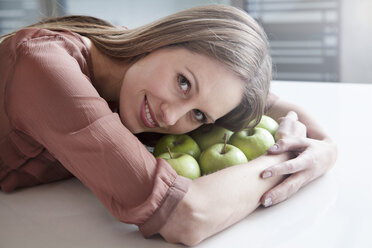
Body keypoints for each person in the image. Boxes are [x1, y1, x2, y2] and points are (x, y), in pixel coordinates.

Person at [0, 5, 337, 246]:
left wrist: (326, 148)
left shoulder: (135, 72)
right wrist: (283, 160)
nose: (172, 117)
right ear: (163, 39)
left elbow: (271, 104)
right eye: (184, 83)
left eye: (200, 115)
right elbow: (187, 218)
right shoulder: (45, 66)